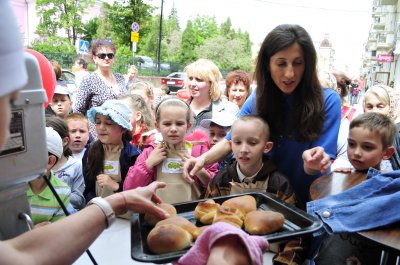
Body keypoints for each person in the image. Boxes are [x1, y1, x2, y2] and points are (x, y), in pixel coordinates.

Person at [184, 24, 341, 207]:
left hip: (309, 203)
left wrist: (313, 163)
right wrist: (201, 161)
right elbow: (229, 141)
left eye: (298, 63)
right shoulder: (257, 99)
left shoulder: (329, 100)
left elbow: (320, 161)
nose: (290, 73)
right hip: (264, 198)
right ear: (267, 64)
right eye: (281, 63)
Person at [205, 115, 305, 265]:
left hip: (269, 256)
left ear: (267, 147)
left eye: (252, 143)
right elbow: (205, 221)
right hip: (227, 256)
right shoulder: (221, 180)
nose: (244, 149)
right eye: (238, 142)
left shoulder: (279, 185)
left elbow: (298, 234)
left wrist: (283, 262)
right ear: (231, 145)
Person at [311, 112, 396, 265]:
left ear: (386, 153)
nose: (356, 152)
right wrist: (334, 181)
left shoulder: (388, 189)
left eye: (367, 147)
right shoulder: (343, 176)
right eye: (351, 144)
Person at [124, 98, 218, 204]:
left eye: (179, 123)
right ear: (157, 126)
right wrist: (147, 165)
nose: (173, 129)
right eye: (167, 124)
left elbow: (216, 187)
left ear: (188, 126)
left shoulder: (199, 152)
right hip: (157, 215)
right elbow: (129, 189)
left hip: (190, 215)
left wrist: (200, 171)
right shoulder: (150, 152)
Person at [83, 100, 140, 202]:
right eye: (98, 122)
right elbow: (88, 186)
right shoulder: (91, 151)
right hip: (98, 211)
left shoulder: (133, 155)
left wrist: (117, 186)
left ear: (123, 128)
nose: (101, 127)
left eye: (108, 123)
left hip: (125, 213)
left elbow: (138, 188)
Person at [74, 39, 128, 137]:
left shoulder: (120, 78)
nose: (106, 58)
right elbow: (78, 111)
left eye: (110, 55)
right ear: (95, 58)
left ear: (114, 58)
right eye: (102, 56)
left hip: (120, 134)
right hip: (98, 136)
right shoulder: (89, 79)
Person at [28, 127, 72, 226]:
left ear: (49, 161)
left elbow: (57, 230)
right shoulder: (10, 187)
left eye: (29, 154)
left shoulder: (63, 192)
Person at [184, 58, 239, 129]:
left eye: (199, 80)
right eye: (190, 78)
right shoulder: (179, 108)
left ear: (211, 83)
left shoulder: (229, 109)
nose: (192, 84)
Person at [46, 116, 86, 210]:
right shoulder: (38, 167)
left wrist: (53, 192)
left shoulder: (76, 166)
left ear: (64, 141)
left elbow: (79, 200)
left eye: (51, 139)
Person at [363, 83, 400, 171]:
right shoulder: (361, 131)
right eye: (369, 106)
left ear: (391, 107)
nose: (374, 111)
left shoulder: (397, 134)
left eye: (380, 106)